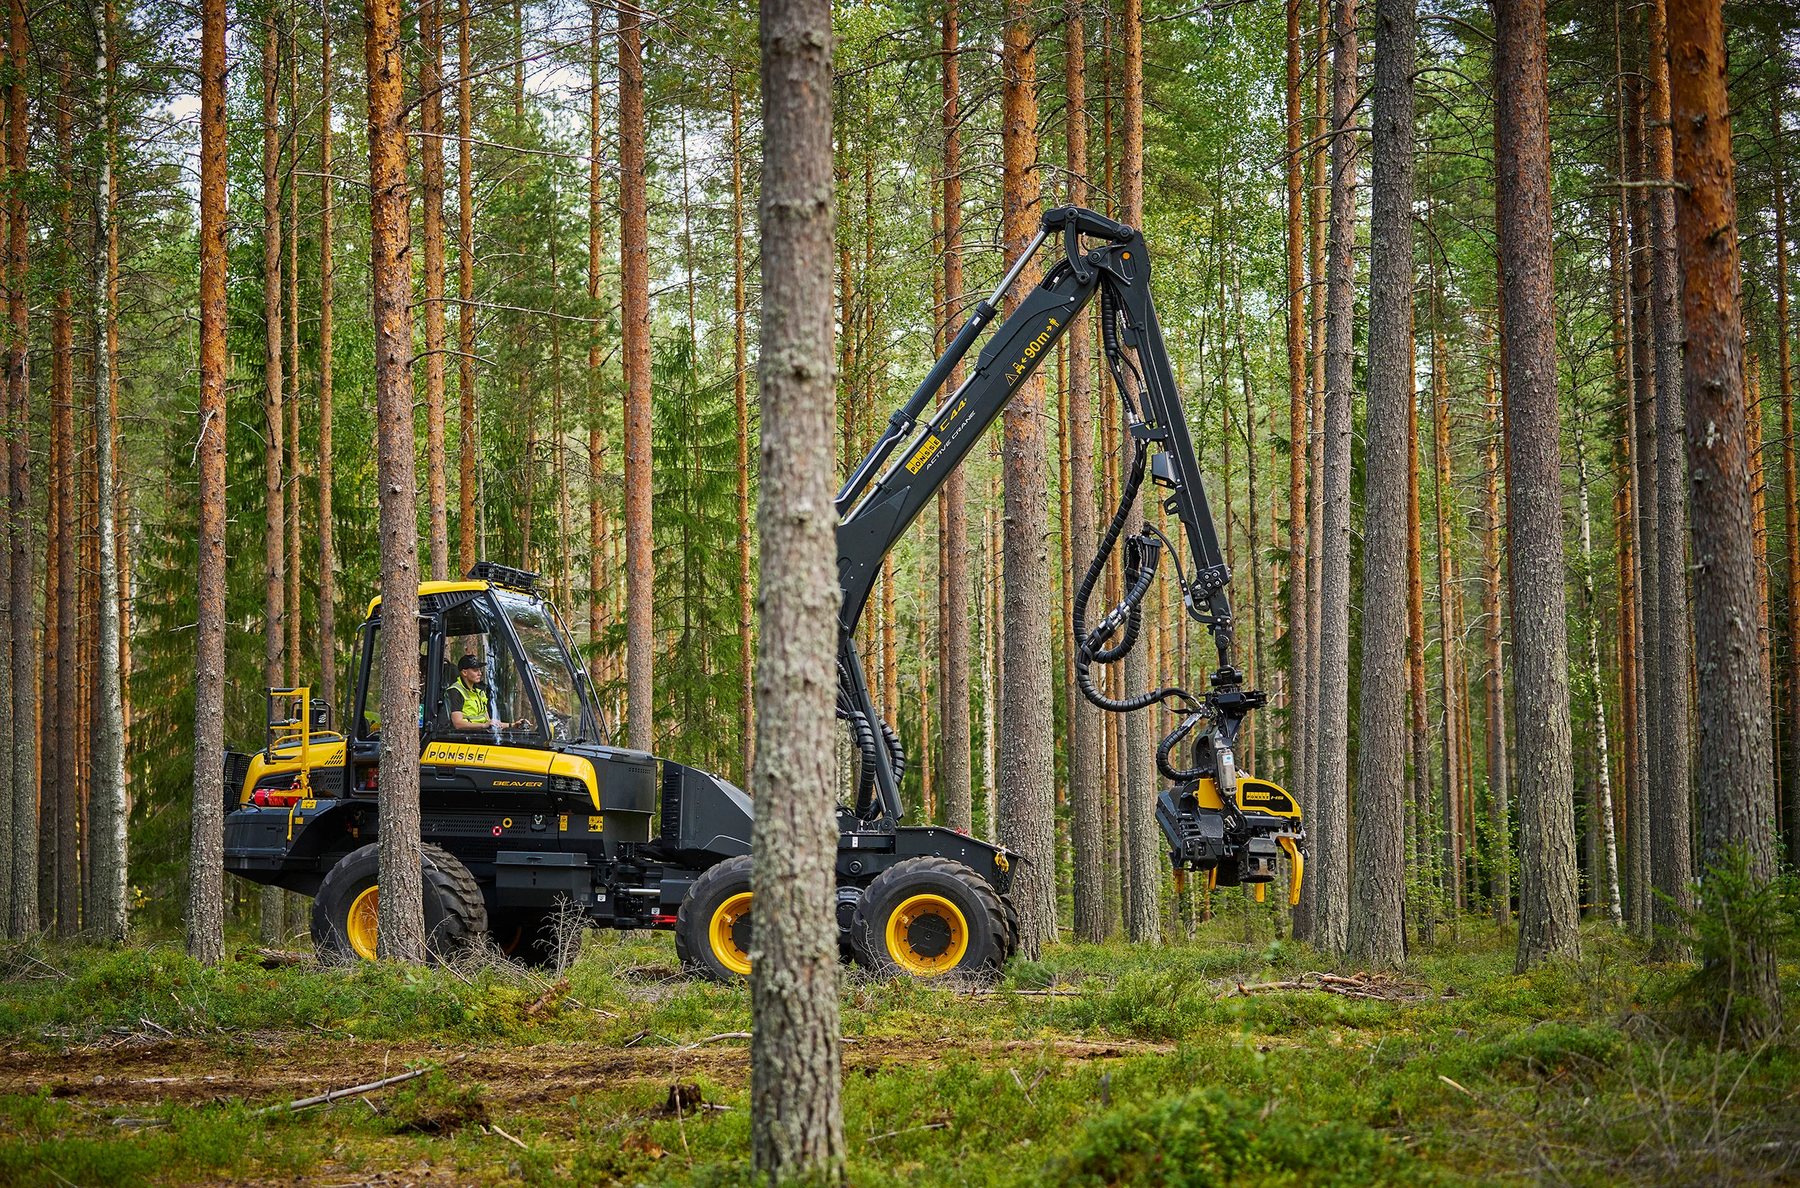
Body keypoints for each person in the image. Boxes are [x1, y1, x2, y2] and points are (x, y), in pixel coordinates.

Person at [445, 653, 530, 733]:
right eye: (475, 670)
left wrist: (513, 725)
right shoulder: (455, 691)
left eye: (479, 670)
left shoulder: (479, 692)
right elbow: (458, 724)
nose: (480, 673)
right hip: (466, 736)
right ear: (464, 672)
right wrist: (484, 725)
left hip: (482, 734)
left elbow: (489, 722)